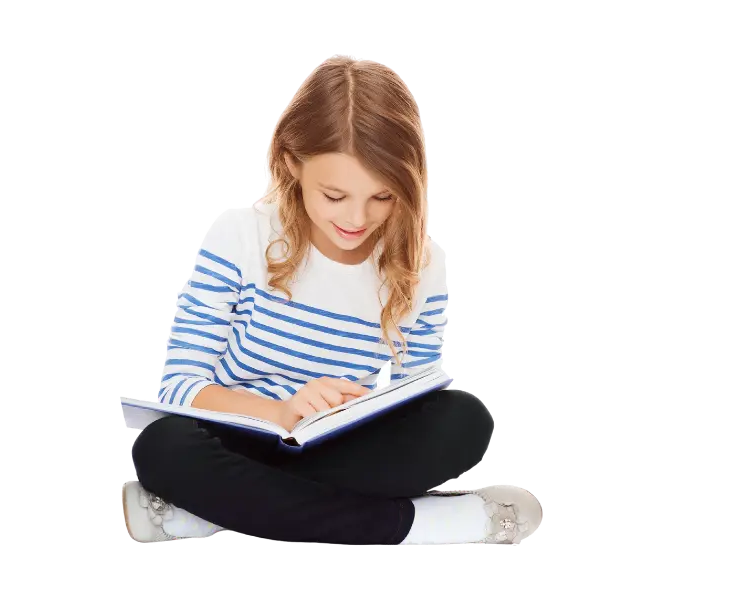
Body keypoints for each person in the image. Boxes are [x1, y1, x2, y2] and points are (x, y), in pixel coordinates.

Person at [122, 56, 542, 546]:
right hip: (241, 439)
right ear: (294, 163)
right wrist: (281, 413)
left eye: (382, 197)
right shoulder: (238, 236)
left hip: (339, 451)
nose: (357, 219)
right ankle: (421, 525)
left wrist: (364, 409)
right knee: (162, 447)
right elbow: (178, 386)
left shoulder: (426, 266)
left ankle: (203, 515)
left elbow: (415, 402)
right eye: (335, 195)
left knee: (464, 420)